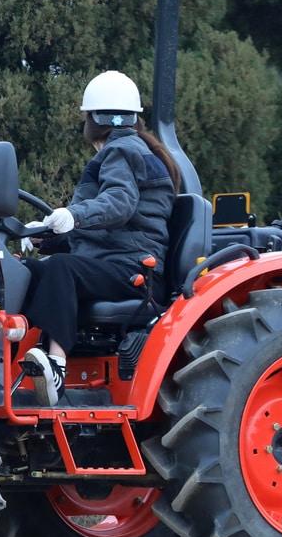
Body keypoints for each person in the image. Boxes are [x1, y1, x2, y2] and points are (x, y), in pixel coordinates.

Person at [20, 70, 182, 406]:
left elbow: (120, 204)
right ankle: (17, 357)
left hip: (134, 269)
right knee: (30, 270)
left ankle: (56, 364)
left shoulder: (122, 151)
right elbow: (103, 229)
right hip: (111, 261)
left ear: (94, 119)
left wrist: (75, 215)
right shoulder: (127, 150)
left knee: (60, 269)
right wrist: (44, 236)